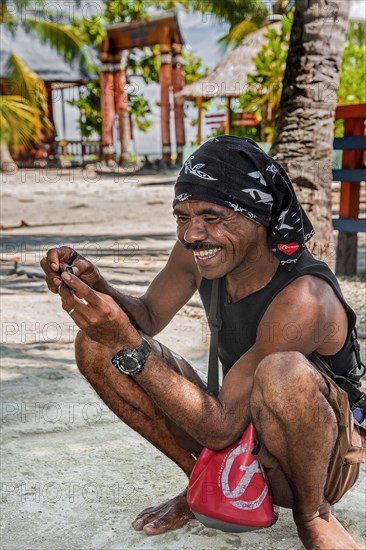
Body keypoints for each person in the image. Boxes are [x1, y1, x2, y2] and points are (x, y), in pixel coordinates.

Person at [41, 136, 365, 550]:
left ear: (259, 217)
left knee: (281, 372)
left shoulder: (304, 295)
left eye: (212, 216)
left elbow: (221, 427)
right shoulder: (200, 252)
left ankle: (313, 514)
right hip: (237, 426)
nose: (193, 234)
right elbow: (149, 316)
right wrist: (96, 285)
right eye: (183, 216)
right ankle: (201, 486)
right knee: (96, 346)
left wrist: (127, 341)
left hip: (314, 460)